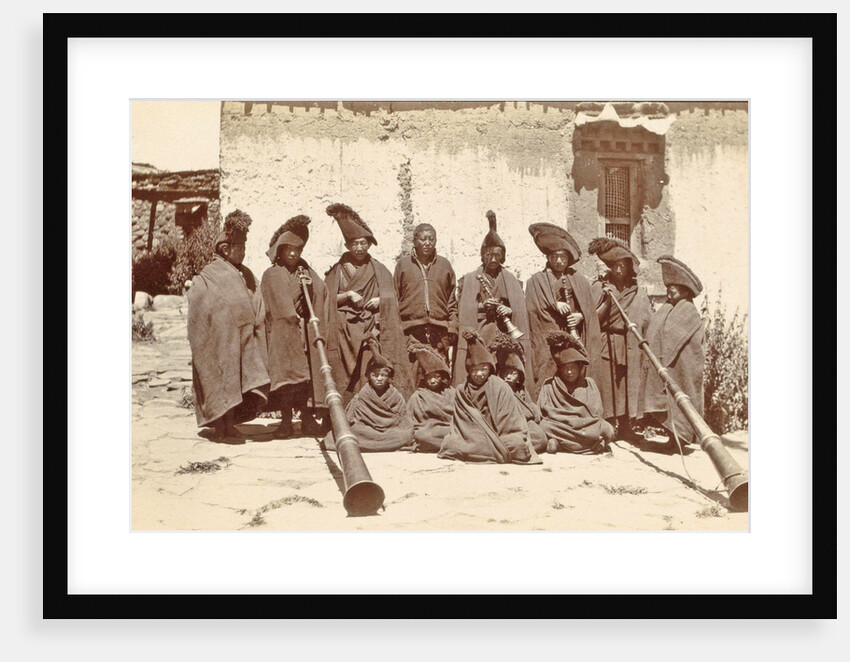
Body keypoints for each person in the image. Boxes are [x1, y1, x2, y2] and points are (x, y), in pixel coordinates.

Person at [187, 210, 270, 439]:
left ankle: (230, 424)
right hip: (219, 341)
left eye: (244, 247)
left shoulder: (245, 274)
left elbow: (255, 298)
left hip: (242, 340)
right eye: (239, 247)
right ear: (225, 249)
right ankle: (220, 425)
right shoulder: (209, 275)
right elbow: (200, 305)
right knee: (221, 380)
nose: (243, 252)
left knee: (237, 382)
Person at [323, 203, 413, 402]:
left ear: (369, 244)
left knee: (367, 369)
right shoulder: (337, 271)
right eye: (354, 243)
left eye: (363, 243)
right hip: (342, 332)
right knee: (344, 375)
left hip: (370, 329)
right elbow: (325, 300)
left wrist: (382, 300)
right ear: (347, 246)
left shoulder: (379, 269)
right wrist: (348, 295)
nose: (359, 248)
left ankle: (369, 407)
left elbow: (393, 297)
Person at [260, 215, 328, 438]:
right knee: (286, 381)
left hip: (305, 335)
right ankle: (286, 422)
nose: (292, 254)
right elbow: (274, 304)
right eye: (288, 249)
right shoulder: (271, 275)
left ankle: (307, 420)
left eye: (297, 250)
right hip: (282, 336)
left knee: (306, 380)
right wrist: (291, 317)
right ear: (280, 251)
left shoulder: (305, 272)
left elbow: (321, 293)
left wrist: (310, 287)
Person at [438, 328, 541, 465]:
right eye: (474, 370)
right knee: (451, 443)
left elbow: (509, 422)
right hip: (474, 435)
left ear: (490, 369)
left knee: (518, 444)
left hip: (499, 434)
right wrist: (478, 435)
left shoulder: (499, 386)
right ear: (469, 370)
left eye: (484, 369)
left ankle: (481, 451)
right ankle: (494, 451)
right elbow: (461, 424)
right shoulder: (462, 391)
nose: (479, 374)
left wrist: (494, 436)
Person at [525, 222, 602, 402]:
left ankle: (576, 404)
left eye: (563, 256)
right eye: (555, 256)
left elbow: (589, 310)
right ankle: (546, 406)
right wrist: (553, 304)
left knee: (572, 370)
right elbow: (531, 309)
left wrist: (580, 316)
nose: (559, 261)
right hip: (546, 337)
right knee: (547, 369)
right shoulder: (536, 281)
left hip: (572, 335)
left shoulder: (579, 280)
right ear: (548, 258)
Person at [454, 210, 531, 388]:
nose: (494, 259)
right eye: (489, 254)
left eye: (497, 254)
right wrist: (482, 305)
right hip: (481, 331)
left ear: (503, 256)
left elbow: (519, 309)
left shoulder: (511, 280)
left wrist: (509, 310)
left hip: (504, 332)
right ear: (483, 255)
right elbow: (463, 309)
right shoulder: (469, 279)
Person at [588, 237, 652, 441]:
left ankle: (625, 427)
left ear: (628, 268)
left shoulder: (635, 291)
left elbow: (645, 317)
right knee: (607, 385)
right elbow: (593, 318)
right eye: (615, 265)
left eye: (622, 266)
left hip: (627, 343)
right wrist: (607, 300)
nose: (618, 270)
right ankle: (608, 426)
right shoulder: (600, 287)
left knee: (624, 385)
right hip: (606, 341)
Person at [640, 255, 705, 450]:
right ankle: (672, 438)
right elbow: (656, 330)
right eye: (668, 288)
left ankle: (680, 439)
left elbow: (675, 336)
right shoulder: (668, 308)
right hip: (668, 363)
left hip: (682, 365)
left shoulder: (688, 311)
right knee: (670, 402)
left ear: (685, 291)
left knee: (682, 398)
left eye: (673, 289)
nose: (669, 292)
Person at [322, 342, 414, 453]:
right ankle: (386, 444)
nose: (379, 379)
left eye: (383, 375)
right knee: (354, 431)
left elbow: (405, 419)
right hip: (368, 431)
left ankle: (374, 444)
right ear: (368, 376)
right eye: (375, 375)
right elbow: (349, 420)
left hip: (390, 430)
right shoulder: (361, 397)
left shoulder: (396, 396)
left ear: (389, 377)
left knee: (405, 434)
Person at [393, 223, 459, 375]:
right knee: (412, 375)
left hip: (439, 331)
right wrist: (398, 328)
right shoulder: (403, 265)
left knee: (438, 376)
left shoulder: (445, 265)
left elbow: (451, 300)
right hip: (411, 330)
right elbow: (395, 297)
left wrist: (452, 326)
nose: (427, 243)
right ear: (414, 241)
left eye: (431, 239)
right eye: (423, 239)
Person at [537, 331, 615, 454]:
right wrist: (565, 421)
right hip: (560, 425)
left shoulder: (589, 383)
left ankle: (561, 444)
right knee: (544, 426)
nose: (569, 372)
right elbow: (542, 411)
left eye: (572, 367)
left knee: (608, 429)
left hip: (586, 425)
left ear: (579, 368)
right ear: (560, 369)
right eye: (565, 368)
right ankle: (589, 444)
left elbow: (597, 412)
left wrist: (582, 422)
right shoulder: (549, 384)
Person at [487, 332, 548, 454]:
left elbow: (531, 409)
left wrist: (533, 413)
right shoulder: (496, 388)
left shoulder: (521, 390)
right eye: (505, 373)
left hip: (523, 424)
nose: (508, 376)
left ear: (519, 376)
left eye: (513, 373)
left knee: (541, 438)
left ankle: (509, 448)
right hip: (504, 425)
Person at [405, 338, 456, 453]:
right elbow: (408, 421)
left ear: (442, 377)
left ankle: (446, 443)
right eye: (429, 377)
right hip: (428, 431)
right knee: (422, 435)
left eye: (436, 377)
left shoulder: (451, 392)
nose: (432, 380)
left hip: (449, 428)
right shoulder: (418, 396)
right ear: (424, 378)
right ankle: (450, 444)